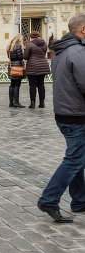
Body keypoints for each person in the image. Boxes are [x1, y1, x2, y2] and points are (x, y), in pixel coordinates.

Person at [37, 13, 85, 224]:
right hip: (77, 115)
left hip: (65, 113)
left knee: (77, 157)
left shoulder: (60, 51)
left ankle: (80, 200)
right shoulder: (78, 52)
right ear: (83, 30)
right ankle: (49, 199)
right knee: (75, 159)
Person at [23, 31, 50, 109]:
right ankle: (42, 103)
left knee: (32, 86)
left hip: (32, 66)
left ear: (31, 37)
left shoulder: (30, 44)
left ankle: (33, 103)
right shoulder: (44, 43)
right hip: (43, 65)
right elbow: (44, 53)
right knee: (41, 85)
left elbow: (25, 56)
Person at [7, 34, 26, 109]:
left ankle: (11, 102)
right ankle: (16, 102)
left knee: (12, 85)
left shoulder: (9, 45)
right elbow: (20, 57)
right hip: (17, 67)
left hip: (11, 66)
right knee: (17, 85)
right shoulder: (18, 46)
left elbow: (9, 56)